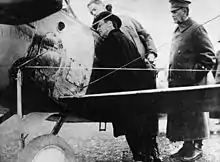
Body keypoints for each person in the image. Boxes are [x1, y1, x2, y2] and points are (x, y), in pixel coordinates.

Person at [90, 11, 161, 162]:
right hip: (136, 91)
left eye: (99, 26)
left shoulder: (111, 40)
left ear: (110, 23)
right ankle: (149, 154)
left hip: (126, 94)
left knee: (133, 130)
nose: (97, 30)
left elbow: (105, 65)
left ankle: (141, 156)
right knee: (141, 128)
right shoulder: (122, 37)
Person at [167, 0, 216, 161]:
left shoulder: (196, 29)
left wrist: (193, 75)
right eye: (172, 11)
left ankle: (196, 148)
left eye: (175, 11)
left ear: (184, 11)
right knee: (183, 117)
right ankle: (187, 147)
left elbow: (209, 57)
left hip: (192, 84)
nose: (172, 14)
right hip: (178, 84)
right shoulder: (177, 30)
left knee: (193, 117)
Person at [87, 0, 157, 66]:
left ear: (103, 6)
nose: (93, 13)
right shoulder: (97, 31)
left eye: (94, 9)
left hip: (142, 65)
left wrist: (151, 53)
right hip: (122, 71)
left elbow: (146, 36)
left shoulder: (127, 20)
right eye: (91, 13)